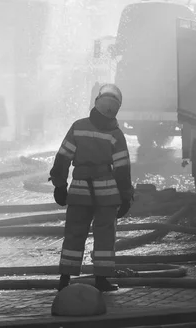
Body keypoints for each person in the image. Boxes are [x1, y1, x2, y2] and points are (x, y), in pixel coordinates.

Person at [50, 84, 134, 292]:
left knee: (74, 234)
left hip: (79, 191)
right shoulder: (116, 135)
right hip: (107, 195)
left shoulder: (78, 127)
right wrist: (126, 197)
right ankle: (101, 280)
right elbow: (122, 171)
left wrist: (60, 185)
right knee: (105, 237)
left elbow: (63, 158)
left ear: (97, 103)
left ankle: (64, 278)